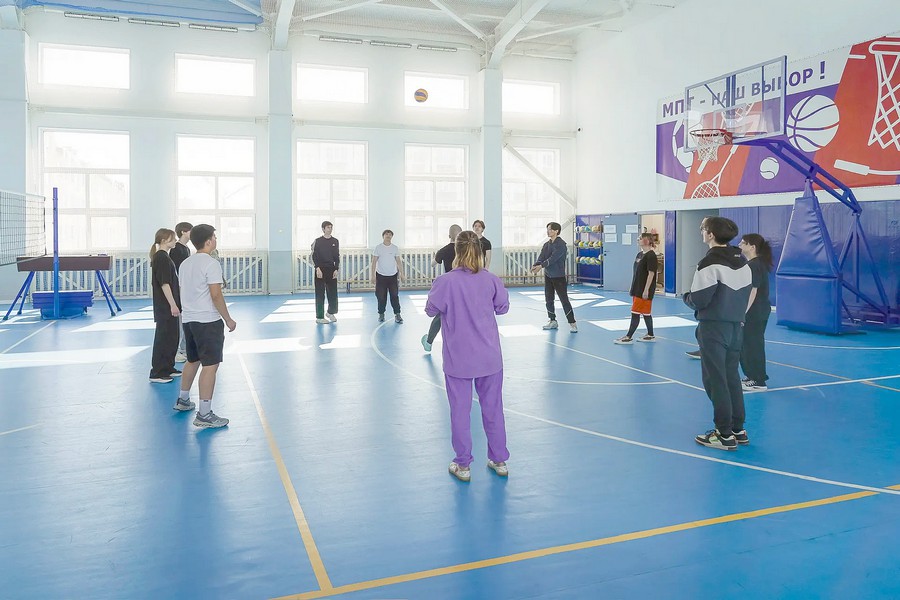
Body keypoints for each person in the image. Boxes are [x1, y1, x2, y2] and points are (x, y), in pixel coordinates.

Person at [425, 230, 510, 482]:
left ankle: (463, 465)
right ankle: (499, 460)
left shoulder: (445, 282)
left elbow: (431, 310)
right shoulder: (491, 279)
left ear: (457, 250)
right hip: (489, 357)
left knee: (460, 412)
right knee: (493, 409)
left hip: (459, 359)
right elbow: (502, 307)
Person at [683, 217, 752, 450]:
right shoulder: (743, 262)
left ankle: (723, 434)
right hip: (736, 327)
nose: (701, 232)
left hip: (713, 328)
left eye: (703, 229)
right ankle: (738, 429)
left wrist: (686, 297)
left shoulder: (708, 263)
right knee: (731, 377)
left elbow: (699, 299)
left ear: (711, 234)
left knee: (716, 380)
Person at [173, 224, 236, 429]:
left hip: (189, 320)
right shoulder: (211, 264)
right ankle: (205, 414)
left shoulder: (185, 264)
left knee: (192, 360)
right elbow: (216, 295)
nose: (216, 240)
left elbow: (183, 290)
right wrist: (228, 319)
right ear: (208, 241)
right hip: (207, 321)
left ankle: (183, 399)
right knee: (210, 366)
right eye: (214, 237)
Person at [738, 233, 773, 391]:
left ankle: (759, 381)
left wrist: (743, 312)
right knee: (746, 344)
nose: (739, 245)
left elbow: (753, 291)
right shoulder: (752, 264)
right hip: (757, 311)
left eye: (743, 243)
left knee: (753, 345)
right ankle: (750, 375)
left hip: (755, 312)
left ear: (752, 247)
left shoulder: (754, 265)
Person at [421, 224, 462, 352]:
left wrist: (436, 257)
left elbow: (433, 264)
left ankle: (429, 342)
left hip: (450, 286)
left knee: (441, 313)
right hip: (466, 286)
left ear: (449, 235)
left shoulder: (444, 250)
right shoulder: (466, 250)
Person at [531, 222, 577, 333]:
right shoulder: (546, 245)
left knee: (564, 300)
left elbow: (553, 258)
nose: (548, 231)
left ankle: (572, 323)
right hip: (548, 275)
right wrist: (536, 265)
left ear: (556, 231)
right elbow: (542, 257)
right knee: (549, 299)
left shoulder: (561, 245)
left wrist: (541, 266)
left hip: (559, 277)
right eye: (547, 229)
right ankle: (552, 321)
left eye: (550, 229)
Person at [149, 228, 181, 384]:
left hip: (170, 305)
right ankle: (157, 372)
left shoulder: (165, 256)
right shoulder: (161, 258)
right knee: (163, 338)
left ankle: (168, 367)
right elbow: (164, 283)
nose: (175, 241)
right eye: (172, 238)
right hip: (165, 305)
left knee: (172, 337)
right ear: (163, 241)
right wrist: (172, 304)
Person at [614, 233, 658, 344]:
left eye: (640, 238)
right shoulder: (639, 254)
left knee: (635, 312)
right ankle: (651, 335)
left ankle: (628, 337)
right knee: (645, 313)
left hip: (643, 290)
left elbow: (651, 274)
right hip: (637, 288)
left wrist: (646, 289)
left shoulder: (651, 256)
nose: (638, 239)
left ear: (647, 241)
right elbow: (637, 272)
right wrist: (633, 286)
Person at [170, 222, 192, 363]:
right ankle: (176, 350)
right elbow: (176, 271)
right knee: (179, 321)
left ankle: (184, 348)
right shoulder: (176, 249)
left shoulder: (187, 248)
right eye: (190, 230)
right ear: (183, 232)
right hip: (179, 289)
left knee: (185, 319)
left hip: (186, 288)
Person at [371, 229, 404, 323]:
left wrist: (402, 274)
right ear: (383, 236)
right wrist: (372, 275)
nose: (388, 236)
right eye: (386, 234)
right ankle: (381, 314)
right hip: (381, 276)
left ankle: (397, 314)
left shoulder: (395, 248)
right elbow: (374, 262)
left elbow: (398, 261)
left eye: (390, 234)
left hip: (393, 276)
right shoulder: (378, 248)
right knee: (381, 296)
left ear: (392, 237)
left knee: (394, 296)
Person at [311, 221, 339, 325]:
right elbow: (314, 256)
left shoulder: (335, 241)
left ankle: (330, 313)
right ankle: (319, 317)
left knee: (333, 293)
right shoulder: (317, 241)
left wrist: (336, 269)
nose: (330, 229)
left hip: (331, 269)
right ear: (323, 229)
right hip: (320, 270)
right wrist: (317, 268)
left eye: (331, 227)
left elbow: (337, 256)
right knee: (320, 294)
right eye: (328, 227)